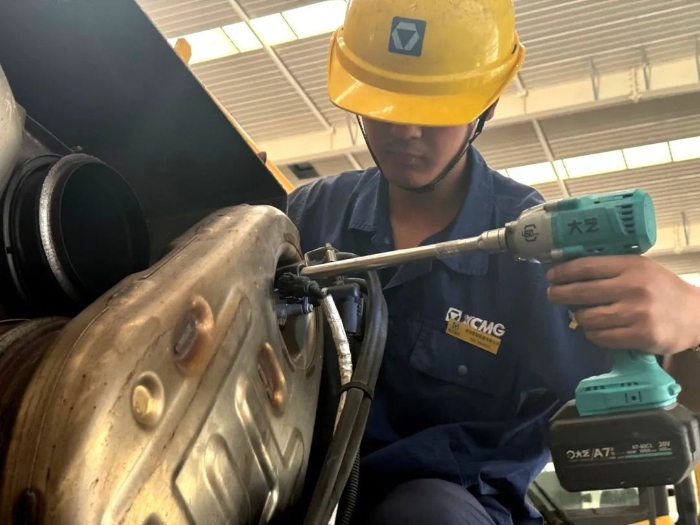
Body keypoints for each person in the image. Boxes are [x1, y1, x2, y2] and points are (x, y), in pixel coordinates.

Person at [280, 0, 700, 523]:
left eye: (435, 109)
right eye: (384, 102)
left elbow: (655, 391)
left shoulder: (541, 255)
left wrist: (692, 323)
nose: (404, 130)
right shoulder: (307, 216)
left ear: (488, 106)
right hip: (299, 491)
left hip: (453, 507)